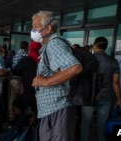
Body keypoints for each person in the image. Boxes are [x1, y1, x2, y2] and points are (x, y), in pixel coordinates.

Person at [31, 10, 82, 141]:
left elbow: (75, 68)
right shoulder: (49, 45)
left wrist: (45, 81)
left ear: (48, 28)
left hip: (58, 108)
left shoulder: (54, 44)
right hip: (52, 109)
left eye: (36, 27)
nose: (33, 30)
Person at [80, 37, 121, 141]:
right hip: (105, 96)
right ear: (105, 47)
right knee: (102, 124)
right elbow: (115, 82)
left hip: (88, 96)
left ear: (95, 46)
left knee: (85, 123)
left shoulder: (86, 59)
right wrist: (119, 99)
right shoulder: (113, 61)